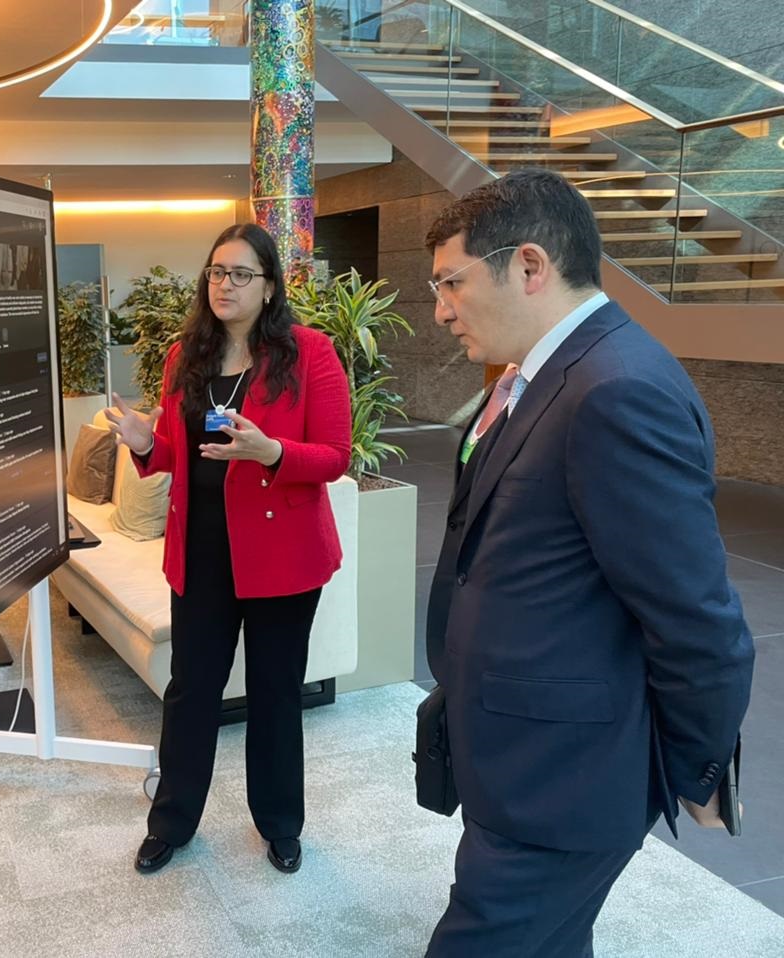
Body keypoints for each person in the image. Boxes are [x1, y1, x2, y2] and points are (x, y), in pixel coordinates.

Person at [422, 169, 755, 956]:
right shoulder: (545, 378)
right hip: (521, 757)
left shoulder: (616, 389)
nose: (440, 310)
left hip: (564, 781)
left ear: (529, 265)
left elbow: (695, 616)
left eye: (451, 282)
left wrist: (698, 767)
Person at [104, 223, 351, 875]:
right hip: (202, 552)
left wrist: (271, 452)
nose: (225, 284)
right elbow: (176, 455)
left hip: (282, 556)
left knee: (275, 693)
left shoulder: (310, 353)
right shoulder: (185, 355)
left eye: (242, 274)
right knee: (191, 690)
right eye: (216, 272)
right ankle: (172, 822)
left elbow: (334, 455)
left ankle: (280, 823)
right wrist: (144, 442)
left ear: (269, 287)